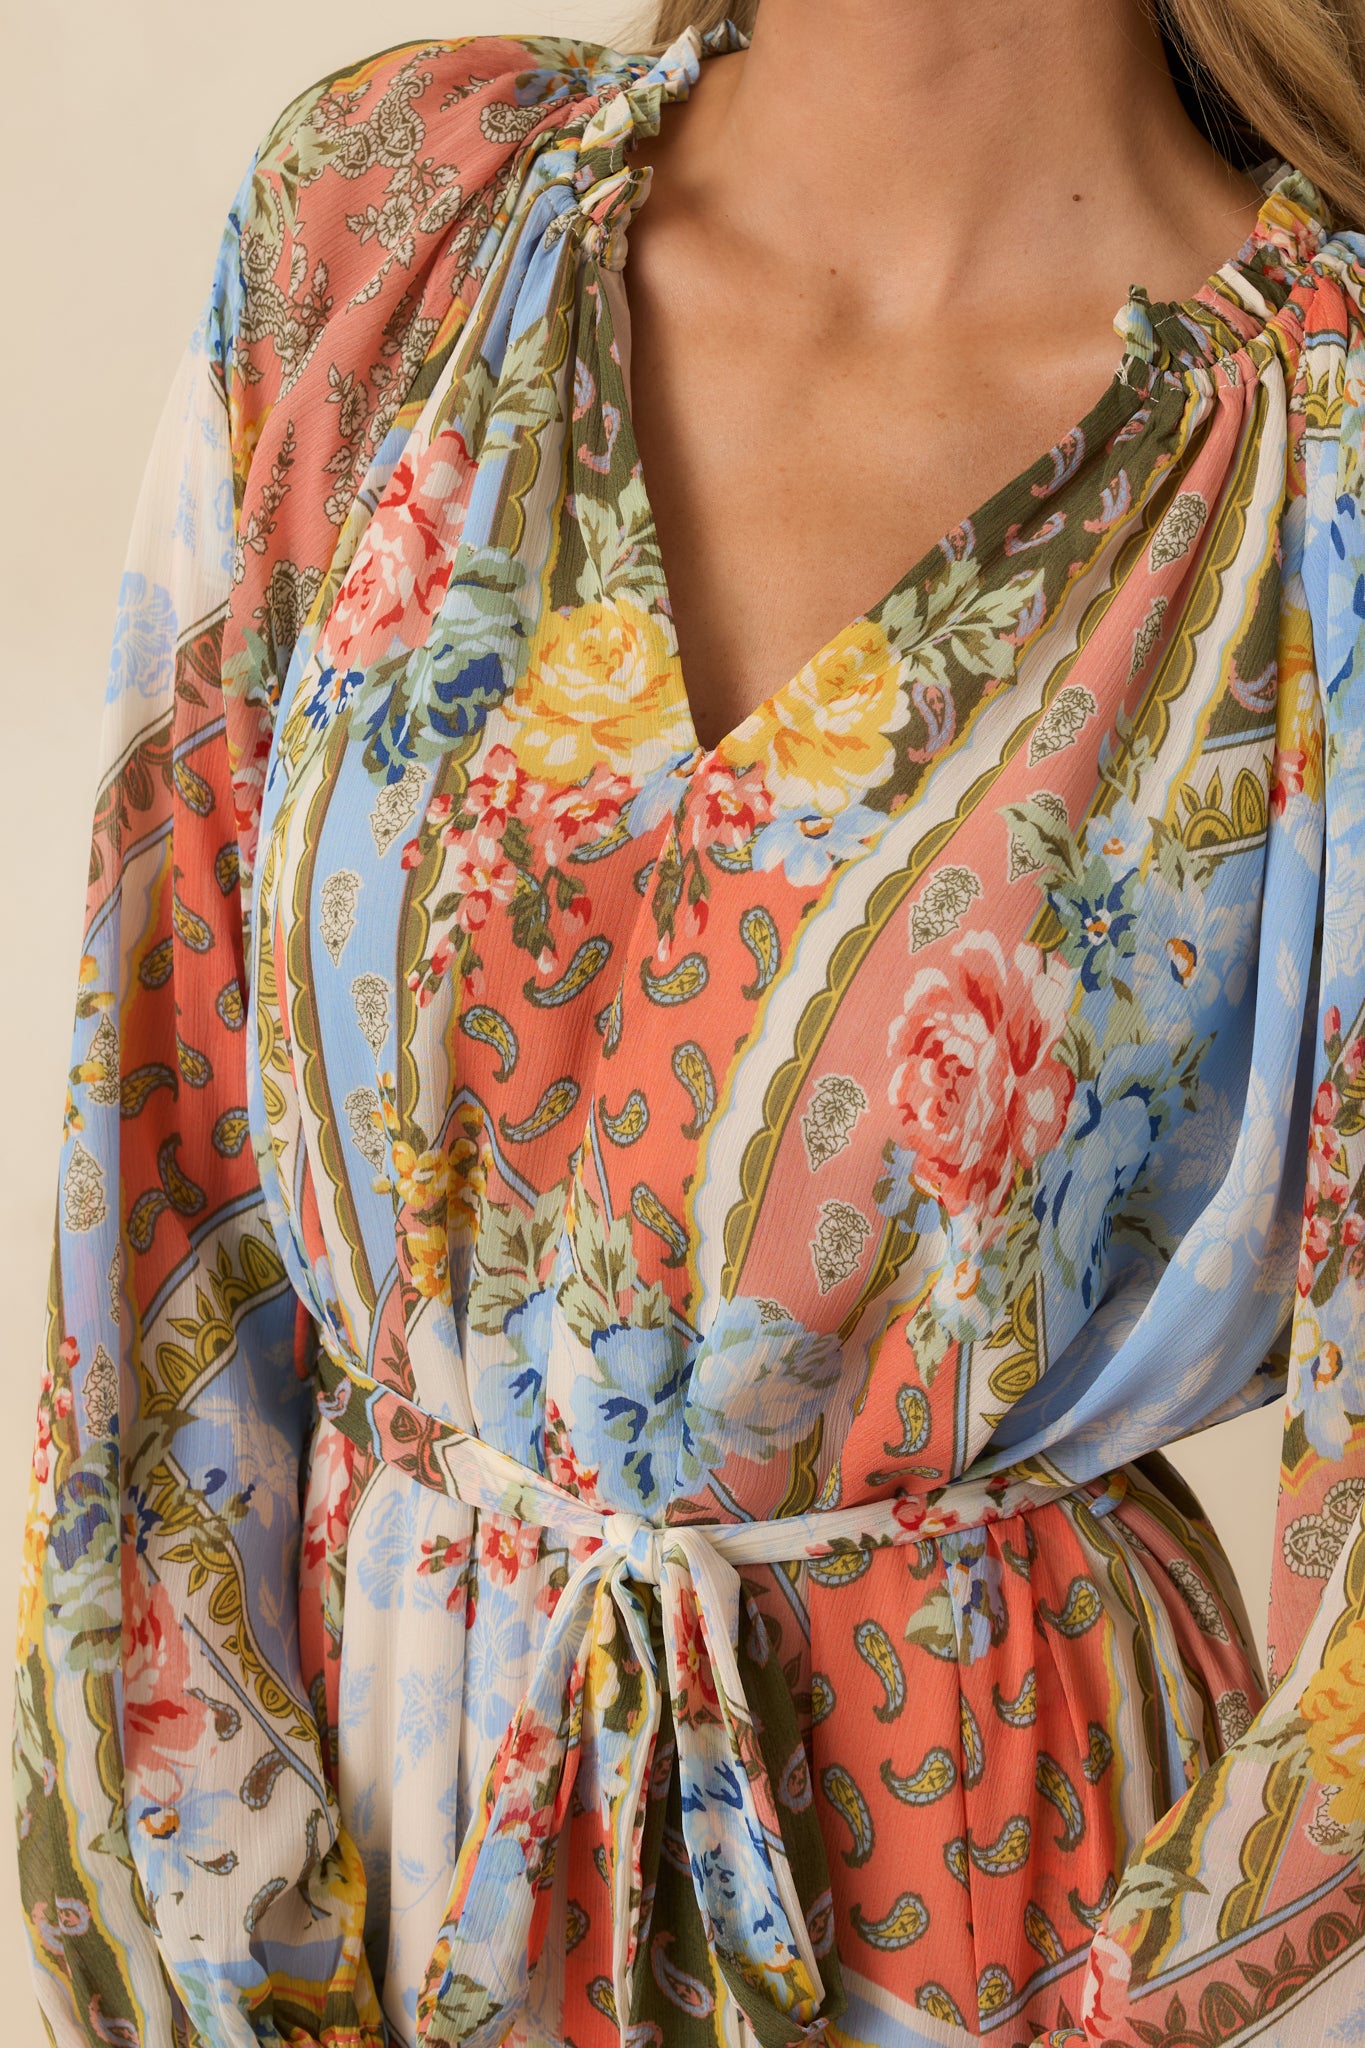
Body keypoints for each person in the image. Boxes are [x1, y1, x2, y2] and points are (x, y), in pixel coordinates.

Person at [14, 0, 1365, 2041]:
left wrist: (1138, 2001)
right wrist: (210, 1966)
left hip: (1014, 1914)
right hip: (364, 1854)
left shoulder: (1321, 459)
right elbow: (163, 1206)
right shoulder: (393, 225)